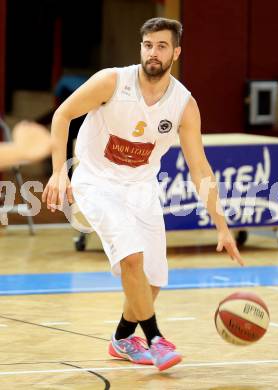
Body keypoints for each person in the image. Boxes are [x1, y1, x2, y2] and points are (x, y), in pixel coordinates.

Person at [42, 17, 244, 371]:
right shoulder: (112, 81)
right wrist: (60, 171)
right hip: (96, 181)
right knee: (132, 260)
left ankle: (123, 339)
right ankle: (155, 339)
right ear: (141, 48)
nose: (153, 52)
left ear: (176, 53)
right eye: (148, 45)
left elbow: (200, 169)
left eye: (162, 46)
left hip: (142, 187)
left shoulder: (183, 105)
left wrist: (222, 225)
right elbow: (62, 115)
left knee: (152, 279)